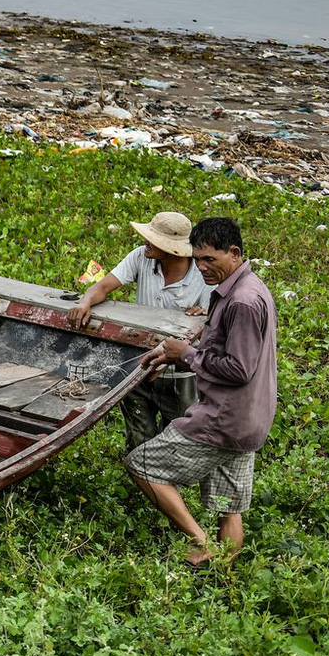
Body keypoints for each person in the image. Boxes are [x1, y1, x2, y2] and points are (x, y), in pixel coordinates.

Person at [124, 216, 278, 567]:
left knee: (142, 465)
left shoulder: (241, 302)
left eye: (210, 259)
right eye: (197, 259)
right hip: (249, 420)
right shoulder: (250, 288)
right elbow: (225, 356)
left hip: (223, 419)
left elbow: (238, 369)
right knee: (228, 507)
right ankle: (222, 576)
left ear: (234, 253)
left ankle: (200, 541)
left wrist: (186, 353)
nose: (202, 268)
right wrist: (170, 358)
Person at [68, 210, 210, 452]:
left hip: (180, 375)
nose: (146, 242)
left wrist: (203, 318)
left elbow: (209, 329)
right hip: (139, 364)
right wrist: (85, 302)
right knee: (138, 438)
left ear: (173, 250)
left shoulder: (202, 276)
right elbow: (103, 286)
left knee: (175, 441)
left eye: (153, 239)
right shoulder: (141, 257)